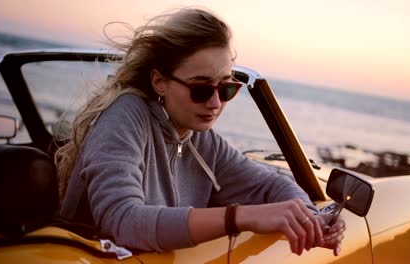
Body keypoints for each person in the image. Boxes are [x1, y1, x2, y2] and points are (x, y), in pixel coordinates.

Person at [55, 7, 345, 256]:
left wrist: (312, 219)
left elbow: (269, 186)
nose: (215, 102)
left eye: (226, 88)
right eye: (201, 89)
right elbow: (122, 222)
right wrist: (241, 217)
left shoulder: (202, 141)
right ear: (159, 81)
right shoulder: (124, 118)